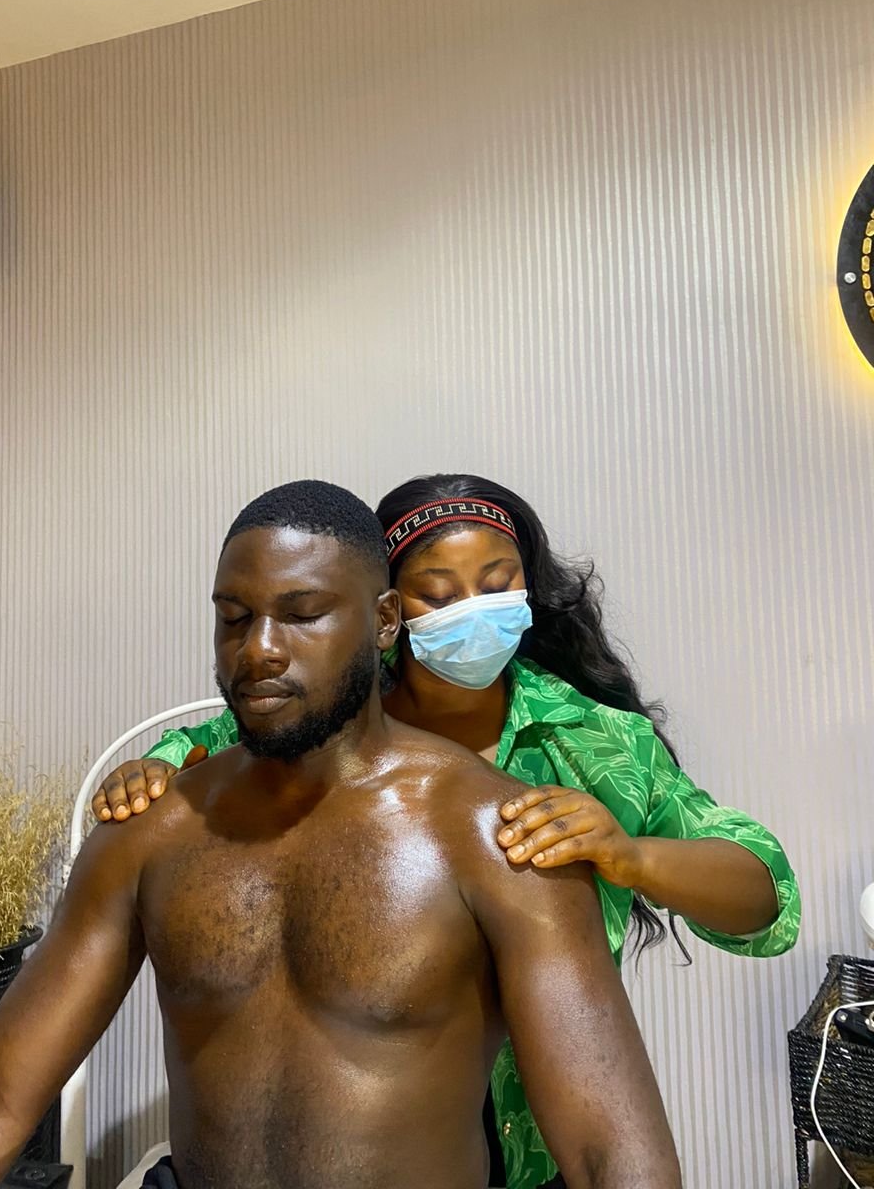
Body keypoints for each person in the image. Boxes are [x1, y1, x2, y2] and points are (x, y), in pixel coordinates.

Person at [0, 481, 683, 1189]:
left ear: (384, 622)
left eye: (303, 614)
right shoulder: (151, 834)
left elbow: (607, 1149)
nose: (259, 650)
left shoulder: (496, 835)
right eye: (234, 617)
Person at [93, 473, 801, 1189]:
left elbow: (767, 899)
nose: (473, 611)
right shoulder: (317, 722)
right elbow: (182, 770)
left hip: (539, 1151)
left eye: (497, 584)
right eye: (438, 594)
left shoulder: (595, 743)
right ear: (386, 613)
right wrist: (146, 778)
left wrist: (631, 856)